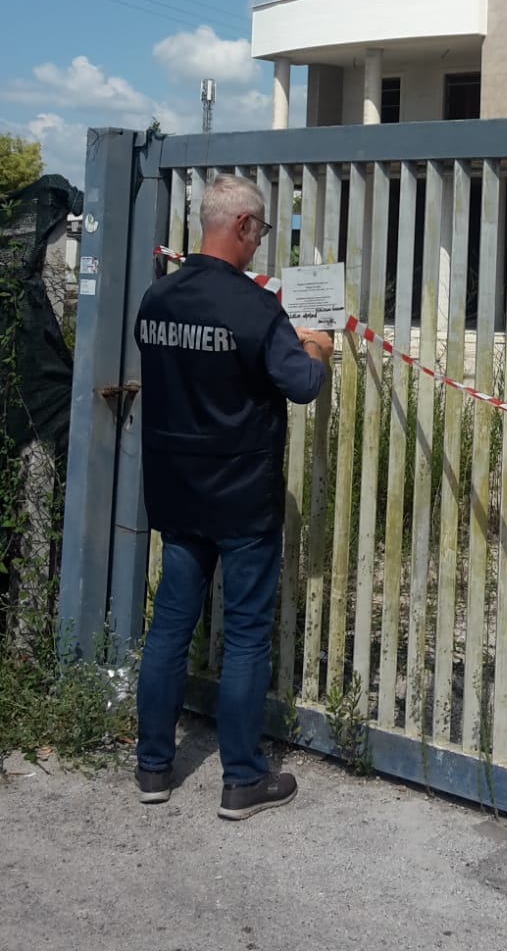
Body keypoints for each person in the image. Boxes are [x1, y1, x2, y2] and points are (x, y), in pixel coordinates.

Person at [133, 173, 334, 820]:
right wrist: (316, 347)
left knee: (170, 625)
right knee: (246, 635)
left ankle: (152, 766)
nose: (259, 241)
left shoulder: (158, 299)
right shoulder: (254, 308)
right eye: (261, 230)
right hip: (243, 498)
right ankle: (243, 779)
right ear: (244, 226)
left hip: (177, 492)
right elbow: (301, 384)